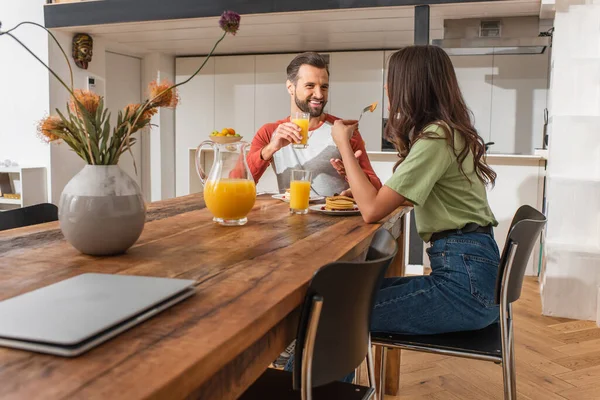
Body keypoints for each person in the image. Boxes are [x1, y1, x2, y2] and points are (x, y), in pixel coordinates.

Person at [331, 45, 500, 335]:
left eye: (392, 83)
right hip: (472, 273)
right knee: (344, 298)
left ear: (411, 87)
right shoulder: (446, 133)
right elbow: (386, 200)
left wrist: (343, 143)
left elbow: (372, 212)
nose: (387, 91)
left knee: (335, 313)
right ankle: (323, 379)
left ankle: (301, 380)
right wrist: (357, 179)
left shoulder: (436, 138)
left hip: (464, 285)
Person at [246, 52, 382, 197]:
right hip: (291, 217)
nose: (319, 94)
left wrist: (353, 177)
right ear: (290, 87)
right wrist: (269, 149)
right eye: (310, 86)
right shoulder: (270, 132)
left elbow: (376, 186)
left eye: (324, 87)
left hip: (335, 217)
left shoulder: (343, 131)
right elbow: (238, 181)